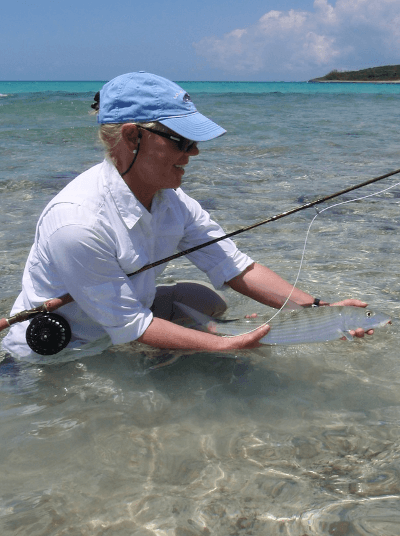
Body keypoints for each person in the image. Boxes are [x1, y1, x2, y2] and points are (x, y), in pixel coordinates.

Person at [2, 72, 371, 362]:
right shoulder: (76, 224)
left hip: (123, 319)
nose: (194, 151)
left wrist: (318, 310)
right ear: (131, 137)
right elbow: (131, 325)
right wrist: (226, 346)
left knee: (203, 298)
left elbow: (233, 266)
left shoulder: (171, 200)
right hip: (62, 352)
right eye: (181, 139)